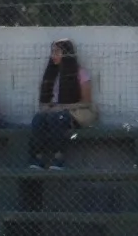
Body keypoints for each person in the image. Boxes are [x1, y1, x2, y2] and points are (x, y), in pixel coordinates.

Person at [28, 39, 95, 171]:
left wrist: (62, 108)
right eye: (52, 51)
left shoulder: (80, 73)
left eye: (57, 51)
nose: (53, 55)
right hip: (54, 111)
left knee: (57, 118)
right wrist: (47, 107)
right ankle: (37, 159)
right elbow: (44, 100)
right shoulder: (51, 74)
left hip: (73, 113)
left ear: (67, 53)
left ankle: (59, 159)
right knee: (38, 119)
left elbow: (86, 102)